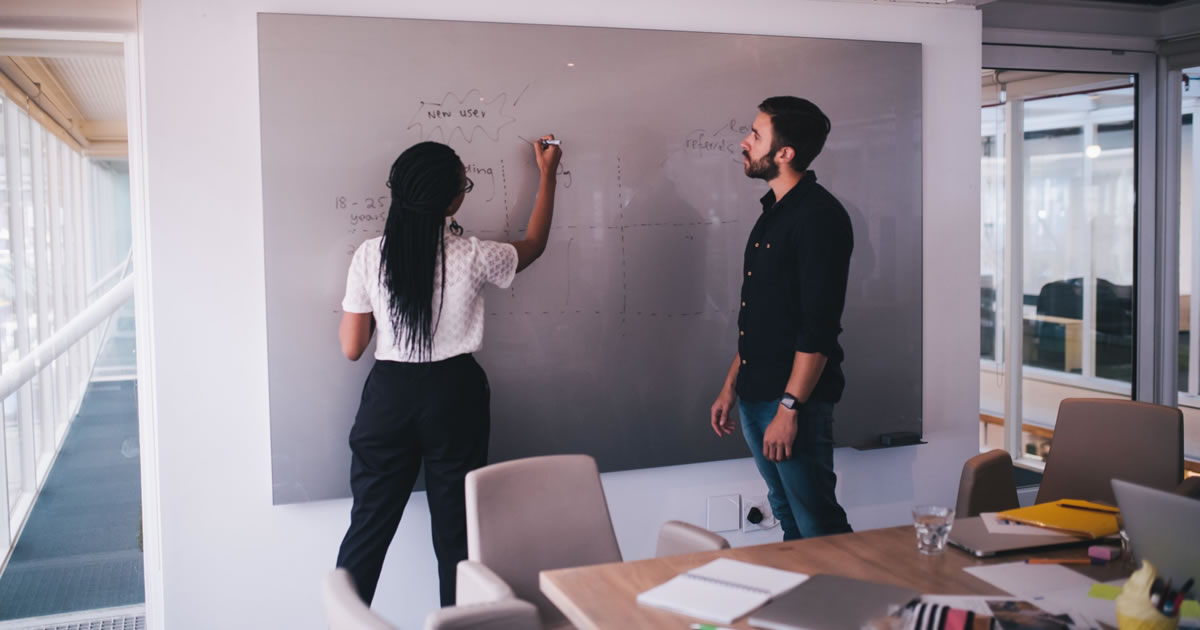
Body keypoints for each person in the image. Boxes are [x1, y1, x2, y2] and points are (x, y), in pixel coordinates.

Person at [335, 136, 561, 607]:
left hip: (389, 396)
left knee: (367, 531)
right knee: (458, 538)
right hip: (454, 394)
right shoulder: (474, 256)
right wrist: (548, 174)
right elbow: (535, 245)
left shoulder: (369, 256)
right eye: (465, 183)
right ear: (452, 199)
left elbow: (352, 347)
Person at [710, 97, 854, 540]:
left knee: (818, 524)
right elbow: (762, 316)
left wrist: (789, 408)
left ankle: (848, 607)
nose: (744, 142)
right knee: (788, 515)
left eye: (756, 135)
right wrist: (730, 386)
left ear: (784, 153)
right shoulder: (773, 213)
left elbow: (818, 327)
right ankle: (803, 606)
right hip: (756, 395)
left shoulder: (819, 218)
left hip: (791, 403)